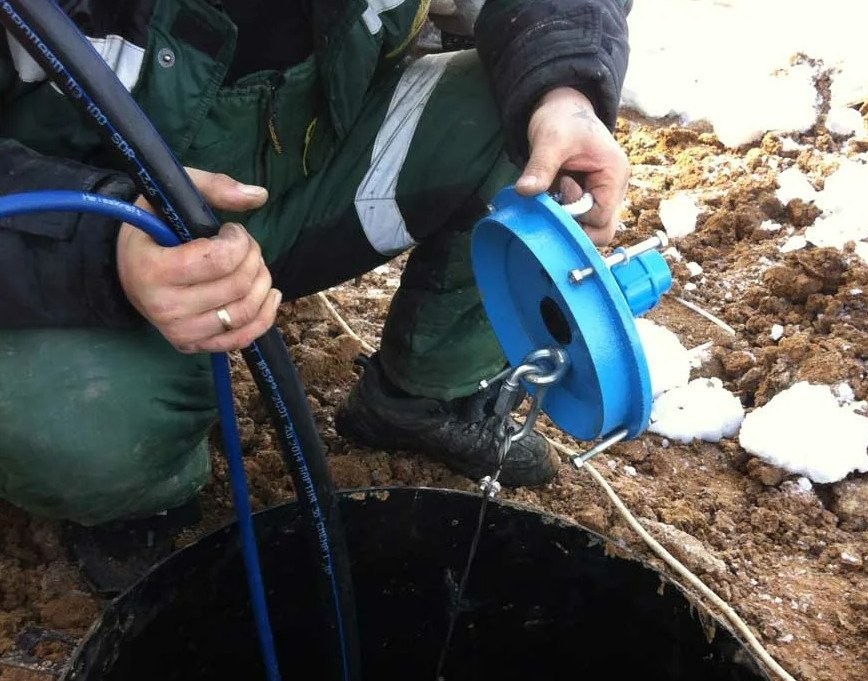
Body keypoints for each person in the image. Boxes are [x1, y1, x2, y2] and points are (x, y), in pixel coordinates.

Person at [0, 0, 631, 593]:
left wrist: (565, 91)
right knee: (74, 426)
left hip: (309, 178)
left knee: (521, 122)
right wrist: (101, 245)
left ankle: (426, 397)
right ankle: (148, 495)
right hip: (90, 236)